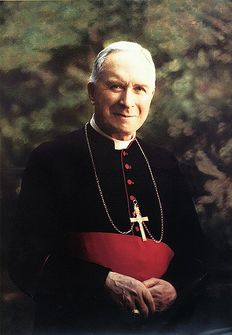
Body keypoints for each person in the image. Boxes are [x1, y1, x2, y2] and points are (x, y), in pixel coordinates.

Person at [8, 41, 207, 334]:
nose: (127, 101)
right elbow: (25, 261)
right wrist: (102, 280)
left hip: (160, 327)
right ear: (92, 91)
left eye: (139, 89)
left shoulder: (164, 162)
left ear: (152, 95)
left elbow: (196, 252)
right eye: (115, 86)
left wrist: (175, 286)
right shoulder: (52, 158)